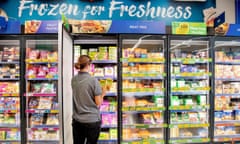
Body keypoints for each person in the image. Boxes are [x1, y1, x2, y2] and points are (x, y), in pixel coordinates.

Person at [71, 55, 106, 144]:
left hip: (77, 121)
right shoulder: (93, 81)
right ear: (88, 65)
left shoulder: (73, 79)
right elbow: (98, 103)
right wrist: (103, 93)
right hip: (92, 121)